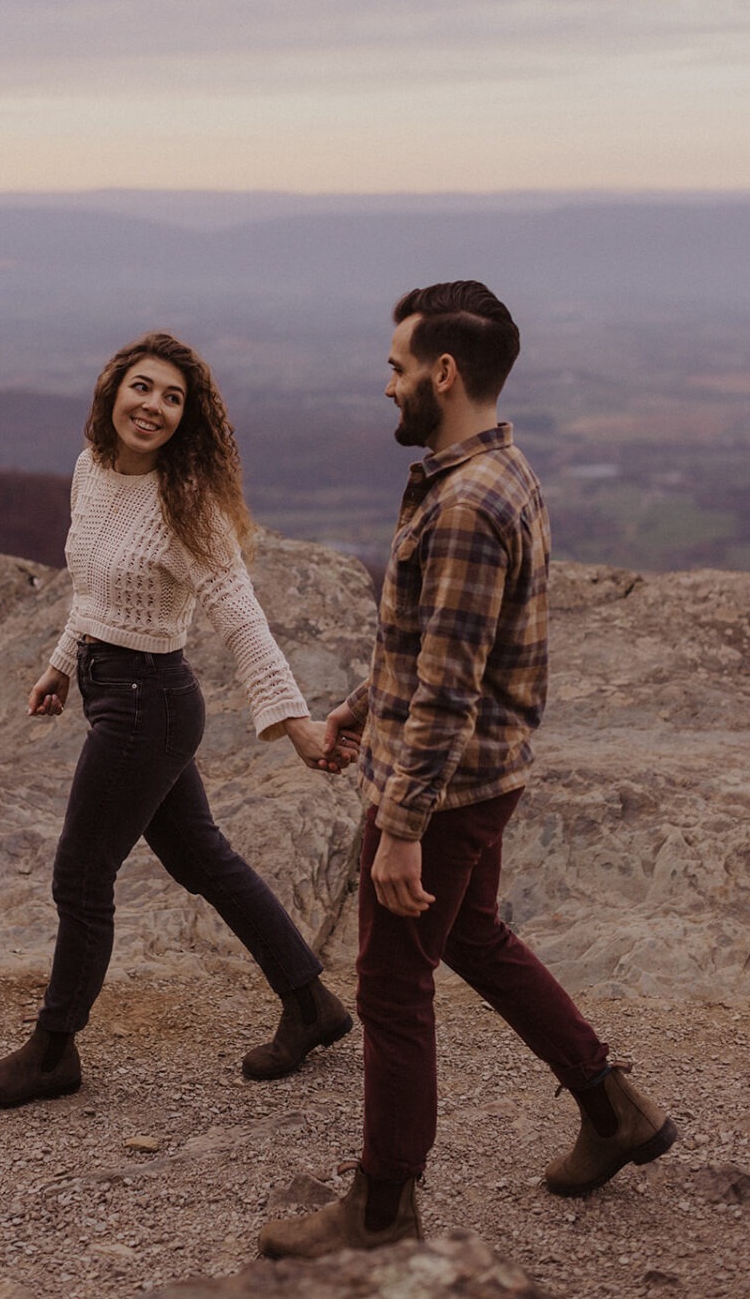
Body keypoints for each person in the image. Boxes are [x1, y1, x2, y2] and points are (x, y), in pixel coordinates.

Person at [259, 281, 677, 1259]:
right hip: (478, 775)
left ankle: (380, 1204)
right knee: (476, 935)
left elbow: (447, 687)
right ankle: (614, 1108)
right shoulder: (492, 475)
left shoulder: (465, 503)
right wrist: (359, 712)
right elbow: (429, 642)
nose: (389, 387)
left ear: (442, 373)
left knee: (392, 988)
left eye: (397, 369)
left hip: (441, 788)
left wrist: (401, 826)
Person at [0, 332, 355, 1109]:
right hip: (116, 691)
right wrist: (63, 664)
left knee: (80, 874)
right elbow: (93, 591)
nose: (156, 407)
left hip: (151, 704)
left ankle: (53, 1053)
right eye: (144, 387)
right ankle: (312, 1004)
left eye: (174, 397)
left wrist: (295, 722)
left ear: (188, 416)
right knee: (201, 859)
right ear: (113, 391)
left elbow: (242, 618)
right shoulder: (93, 470)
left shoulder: (187, 503)